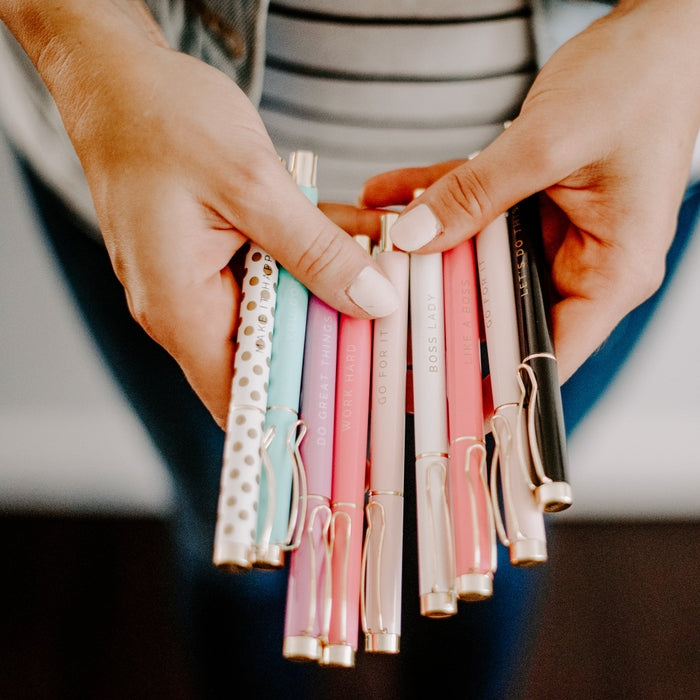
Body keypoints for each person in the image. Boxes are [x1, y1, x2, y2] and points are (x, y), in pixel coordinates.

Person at [1, 1, 699, 698]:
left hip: (591, 184)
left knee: (484, 520)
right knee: (245, 525)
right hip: (152, 176)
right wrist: (87, 49)